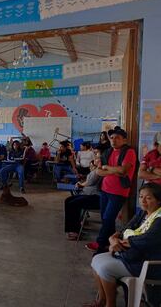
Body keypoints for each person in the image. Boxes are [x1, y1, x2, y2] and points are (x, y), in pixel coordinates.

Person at [86, 183, 161, 307]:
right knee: (96, 259)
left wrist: (120, 242)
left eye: (148, 198)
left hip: (145, 262)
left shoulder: (159, 219)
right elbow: (127, 227)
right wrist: (113, 239)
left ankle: (110, 304)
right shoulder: (144, 213)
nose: (143, 201)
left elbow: (147, 240)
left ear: (159, 201)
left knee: (105, 269)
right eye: (141, 196)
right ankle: (101, 300)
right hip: (132, 255)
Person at [86, 126, 137, 254]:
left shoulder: (129, 152)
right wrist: (114, 170)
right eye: (112, 138)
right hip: (105, 189)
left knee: (108, 218)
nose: (114, 140)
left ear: (124, 140)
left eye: (117, 138)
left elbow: (123, 170)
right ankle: (110, 243)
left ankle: (100, 244)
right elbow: (98, 171)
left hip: (119, 192)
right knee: (105, 218)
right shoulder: (108, 152)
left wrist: (107, 168)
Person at [64, 159, 101, 240]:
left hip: (96, 197)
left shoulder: (99, 170)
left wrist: (81, 184)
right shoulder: (96, 170)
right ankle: (73, 228)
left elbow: (90, 182)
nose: (95, 158)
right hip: (88, 194)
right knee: (68, 200)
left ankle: (74, 231)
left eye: (97, 155)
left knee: (73, 204)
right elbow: (88, 180)